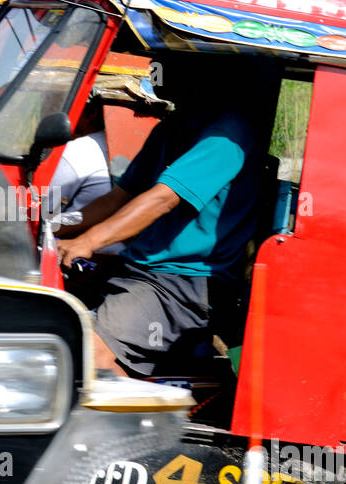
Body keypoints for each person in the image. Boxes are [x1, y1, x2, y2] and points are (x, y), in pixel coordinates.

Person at [56, 61, 265, 376]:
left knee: (89, 353)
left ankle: (139, 423)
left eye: (167, 62)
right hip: (141, 269)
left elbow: (163, 199)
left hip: (182, 284)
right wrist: (53, 227)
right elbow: (118, 197)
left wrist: (88, 241)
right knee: (53, 323)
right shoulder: (174, 126)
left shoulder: (227, 134)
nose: (156, 69)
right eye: (157, 61)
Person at [44, 97, 112, 219]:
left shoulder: (78, 151)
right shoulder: (111, 144)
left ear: (91, 112)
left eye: (61, 105)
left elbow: (42, 213)